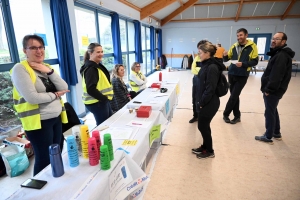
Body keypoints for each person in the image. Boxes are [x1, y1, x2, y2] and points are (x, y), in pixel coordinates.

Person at [10, 34, 69, 176]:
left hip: (56, 118)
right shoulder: (20, 69)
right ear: (25, 50)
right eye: (33, 48)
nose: (39, 51)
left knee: (57, 153)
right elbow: (32, 97)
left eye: (41, 47)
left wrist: (49, 71)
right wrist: (55, 95)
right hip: (39, 122)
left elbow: (64, 86)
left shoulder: (46, 67)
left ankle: (56, 184)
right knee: (44, 159)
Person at [255, 32, 295, 144]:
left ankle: (268, 136)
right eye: (273, 38)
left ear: (283, 42)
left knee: (269, 112)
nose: (273, 40)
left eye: (277, 39)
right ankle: (276, 133)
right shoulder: (279, 53)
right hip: (276, 88)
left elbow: (276, 75)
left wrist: (269, 89)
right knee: (273, 109)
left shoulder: (281, 55)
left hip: (274, 89)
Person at [192, 42, 226, 159]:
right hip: (206, 101)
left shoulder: (212, 67)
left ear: (207, 53)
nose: (198, 55)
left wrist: (202, 103)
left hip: (209, 102)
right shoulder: (206, 64)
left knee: (202, 126)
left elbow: (210, 89)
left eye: (200, 53)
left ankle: (210, 151)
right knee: (205, 126)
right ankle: (205, 146)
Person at [223, 28, 258, 124]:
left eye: (241, 35)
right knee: (234, 95)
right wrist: (225, 55)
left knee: (234, 95)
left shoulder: (252, 46)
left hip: (242, 74)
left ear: (246, 35)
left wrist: (243, 64)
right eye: (238, 35)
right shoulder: (234, 46)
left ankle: (225, 114)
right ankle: (237, 116)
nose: (239, 37)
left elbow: (255, 61)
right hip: (232, 73)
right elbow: (227, 60)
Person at [80, 43, 113, 126]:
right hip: (97, 102)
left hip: (100, 101)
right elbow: (91, 89)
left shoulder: (96, 66)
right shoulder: (91, 69)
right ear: (90, 53)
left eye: (102, 51)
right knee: (103, 126)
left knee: (109, 123)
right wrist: (104, 99)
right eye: (98, 52)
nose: (101, 54)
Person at [189, 40, 209, 123]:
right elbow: (193, 70)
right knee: (194, 98)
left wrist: (200, 71)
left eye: (201, 48)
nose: (199, 50)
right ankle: (195, 116)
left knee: (203, 99)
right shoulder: (197, 58)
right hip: (196, 80)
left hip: (204, 81)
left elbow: (207, 71)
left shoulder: (209, 59)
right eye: (199, 48)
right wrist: (200, 71)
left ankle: (202, 117)